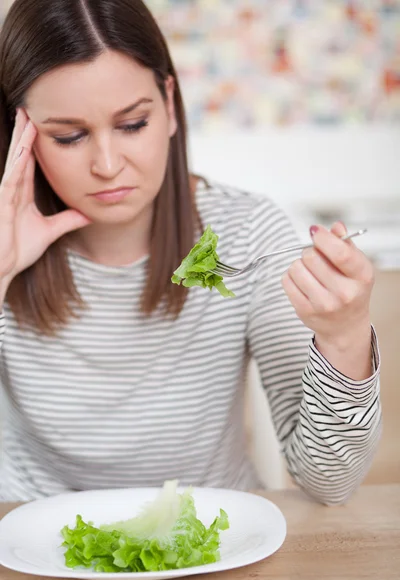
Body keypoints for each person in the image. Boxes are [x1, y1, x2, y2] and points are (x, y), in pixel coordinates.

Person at [0, 0, 381, 504]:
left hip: (214, 544)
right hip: (31, 547)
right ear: (19, 134)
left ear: (170, 103)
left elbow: (330, 483)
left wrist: (346, 338)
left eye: (133, 124)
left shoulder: (246, 235)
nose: (109, 165)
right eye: (69, 136)